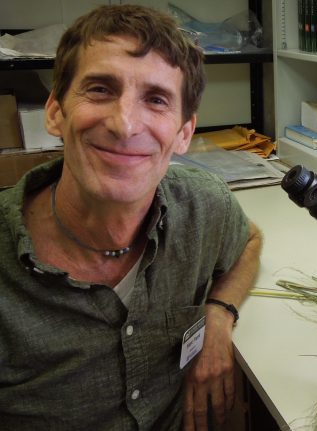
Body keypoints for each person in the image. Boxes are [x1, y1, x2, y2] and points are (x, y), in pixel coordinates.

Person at [0, 4, 262, 431]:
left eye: (156, 100)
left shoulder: (202, 208)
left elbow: (249, 242)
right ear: (55, 112)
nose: (124, 124)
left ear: (183, 133)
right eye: (101, 89)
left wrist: (219, 312)